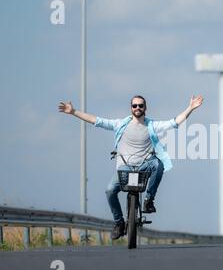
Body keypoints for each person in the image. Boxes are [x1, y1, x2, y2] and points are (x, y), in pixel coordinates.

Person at [58, 94, 204, 239]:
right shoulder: (120, 124)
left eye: (141, 105)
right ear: (131, 108)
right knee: (110, 191)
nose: (138, 108)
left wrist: (190, 108)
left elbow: (174, 122)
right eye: (135, 105)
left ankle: (149, 200)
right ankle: (119, 223)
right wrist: (73, 112)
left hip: (145, 165)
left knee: (159, 164)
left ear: (145, 108)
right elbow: (96, 120)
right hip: (125, 167)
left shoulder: (152, 125)